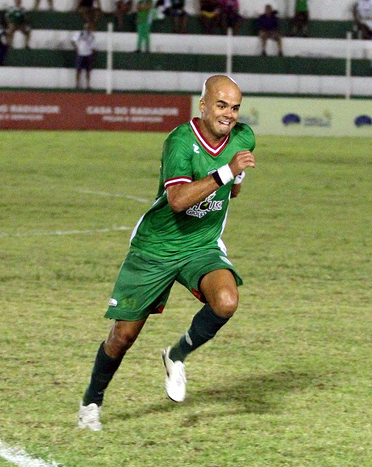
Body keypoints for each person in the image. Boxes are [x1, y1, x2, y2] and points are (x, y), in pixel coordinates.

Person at [77, 75, 257, 432]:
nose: (229, 114)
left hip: (200, 245)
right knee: (123, 337)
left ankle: (176, 356)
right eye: (221, 105)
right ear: (203, 105)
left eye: (235, 107)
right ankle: (91, 402)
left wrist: (231, 178)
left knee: (226, 301)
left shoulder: (244, 137)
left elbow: (232, 192)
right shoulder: (179, 141)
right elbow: (177, 201)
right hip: (156, 246)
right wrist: (226, 172)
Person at [72, 22, 95, 89]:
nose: (88, 29)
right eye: (87, 27)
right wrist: (76, 48)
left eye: (89, 28)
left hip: (88, 54)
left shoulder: (91, 35)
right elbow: (73, 41)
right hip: (80, 54)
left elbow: (92, 45)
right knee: (78, 70)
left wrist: (92, 51)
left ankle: (88, 85)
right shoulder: (79, 33)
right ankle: (77, 85)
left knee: (88, 70)